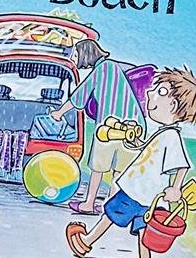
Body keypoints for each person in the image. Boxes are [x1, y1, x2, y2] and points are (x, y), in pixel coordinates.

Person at [65, 67, 196, 258]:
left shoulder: (171, 136)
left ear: (172, 105)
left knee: (111, 214)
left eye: (159, 91)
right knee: (143, 229)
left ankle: (85, 242)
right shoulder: (163, 133)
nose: (150, 93)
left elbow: (181, 166)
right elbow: (146, 150)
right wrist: (130, 139)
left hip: (138, 192)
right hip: (147, 196)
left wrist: (176, 188)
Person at [47, 39, 146, 215]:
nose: (74, 59)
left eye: (76, 55)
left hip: (110, 127)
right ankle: (109, 206)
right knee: (119, 170)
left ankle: (89, 203)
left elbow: (80, 97)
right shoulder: (117, 67)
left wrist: (59, 112)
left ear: (85, 54)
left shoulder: (102, 68)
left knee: (98, 167)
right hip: (135, 125)